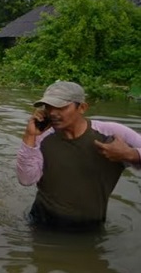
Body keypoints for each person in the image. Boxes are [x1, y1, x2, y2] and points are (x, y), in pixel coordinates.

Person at [17, 81, 141, 230]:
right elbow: (26, 179)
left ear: (82, 107)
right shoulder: (42, 136)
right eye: (48, 107)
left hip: (89, 229)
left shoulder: (111, 133)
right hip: (40, 224)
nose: (52, 113)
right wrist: (29, 136)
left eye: (61, 107)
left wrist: (129, 154)